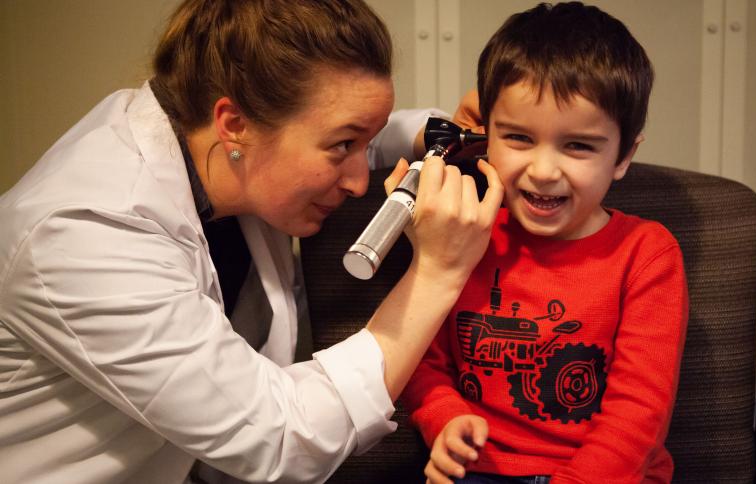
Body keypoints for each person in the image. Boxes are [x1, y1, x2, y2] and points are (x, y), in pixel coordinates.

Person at [0, 0, 503, 483]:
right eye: (344, 147)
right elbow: (283, 438)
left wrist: (445, 132)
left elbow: (358, 126)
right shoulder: (88, 234)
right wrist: (438, 273)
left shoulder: (202, 134)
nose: (356, 182)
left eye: (364, 146)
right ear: (235, 124)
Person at [401, 2, 689, 483]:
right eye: (517, 137)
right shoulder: (467, 230)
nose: (543, 170)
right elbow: (423, 360)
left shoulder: (647, 254)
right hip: (480, 469)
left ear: (622, 156)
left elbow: (639, 414)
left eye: (578, 146)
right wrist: (445, 419)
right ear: (485, 135)